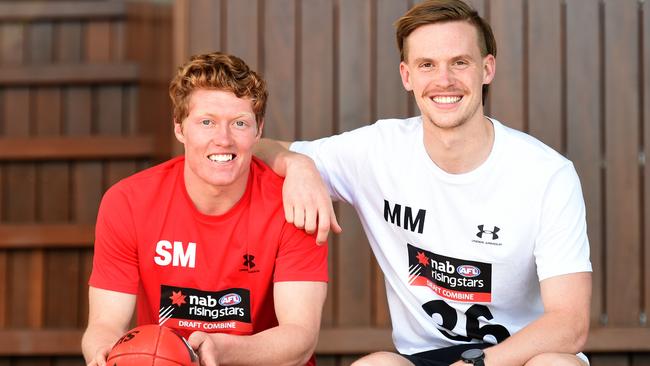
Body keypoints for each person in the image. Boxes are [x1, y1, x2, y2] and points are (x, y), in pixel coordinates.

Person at [254, 1, 592, 365]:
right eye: (427, 65)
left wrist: (476, 364)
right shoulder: (378, 150)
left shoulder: (546, 174)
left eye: (459, 62)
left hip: (517, 358)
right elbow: (255, 146)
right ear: (407, 75)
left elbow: (570, 323)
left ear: (487, 69)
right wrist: (298, 164)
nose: (443, 79)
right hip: (422, 357)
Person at [81, 52, 328, 366]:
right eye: (206, 122)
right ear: (180, 128)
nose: (222, 139)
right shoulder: (128, 202)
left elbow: (300, 339)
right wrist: (103, 353)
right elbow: (104, 324)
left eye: (239, 123)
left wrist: (219, 350)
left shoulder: (294, 203)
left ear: (259, 130)